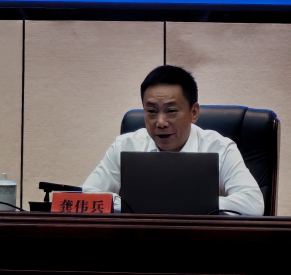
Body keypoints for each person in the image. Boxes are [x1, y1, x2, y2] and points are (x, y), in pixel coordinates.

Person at [82, 65, 265, 215]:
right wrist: (132, 203)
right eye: (152, 111)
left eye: (171, 111)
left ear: (194, 112)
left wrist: (181, 202)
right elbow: (89, 195)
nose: (161, 122)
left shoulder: (220, 148)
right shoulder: (125, 145)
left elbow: (253, 204)